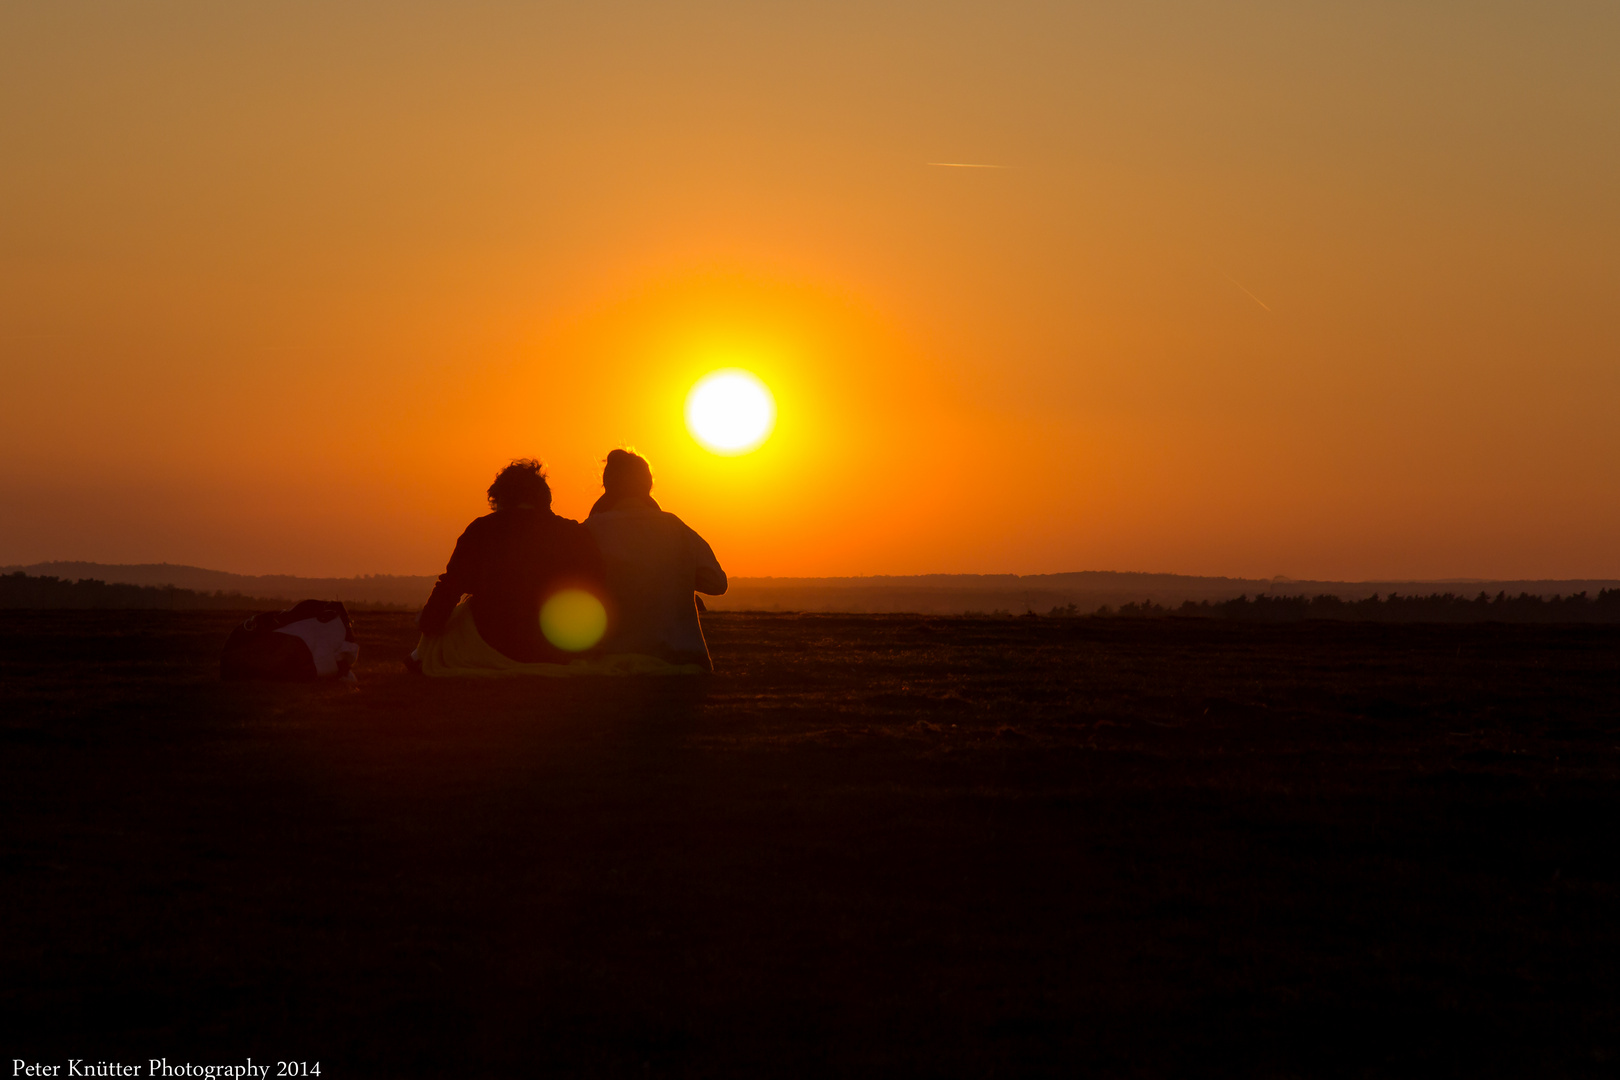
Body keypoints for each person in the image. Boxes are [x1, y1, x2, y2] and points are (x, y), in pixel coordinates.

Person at [415, 459, 605, 667]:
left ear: (500, 498)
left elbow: (451, 586)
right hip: (557, 646)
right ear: (544, 498)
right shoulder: (573, 533)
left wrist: (429, 625)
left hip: (494, 642)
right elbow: (597, 587)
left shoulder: (481, 530)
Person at [585, 449, 727, 670]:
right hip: (684, 662)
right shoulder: (676, 528)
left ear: (607, 486)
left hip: (617, 660)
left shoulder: (592, 530)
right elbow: (717, 583)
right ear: (648, 485)